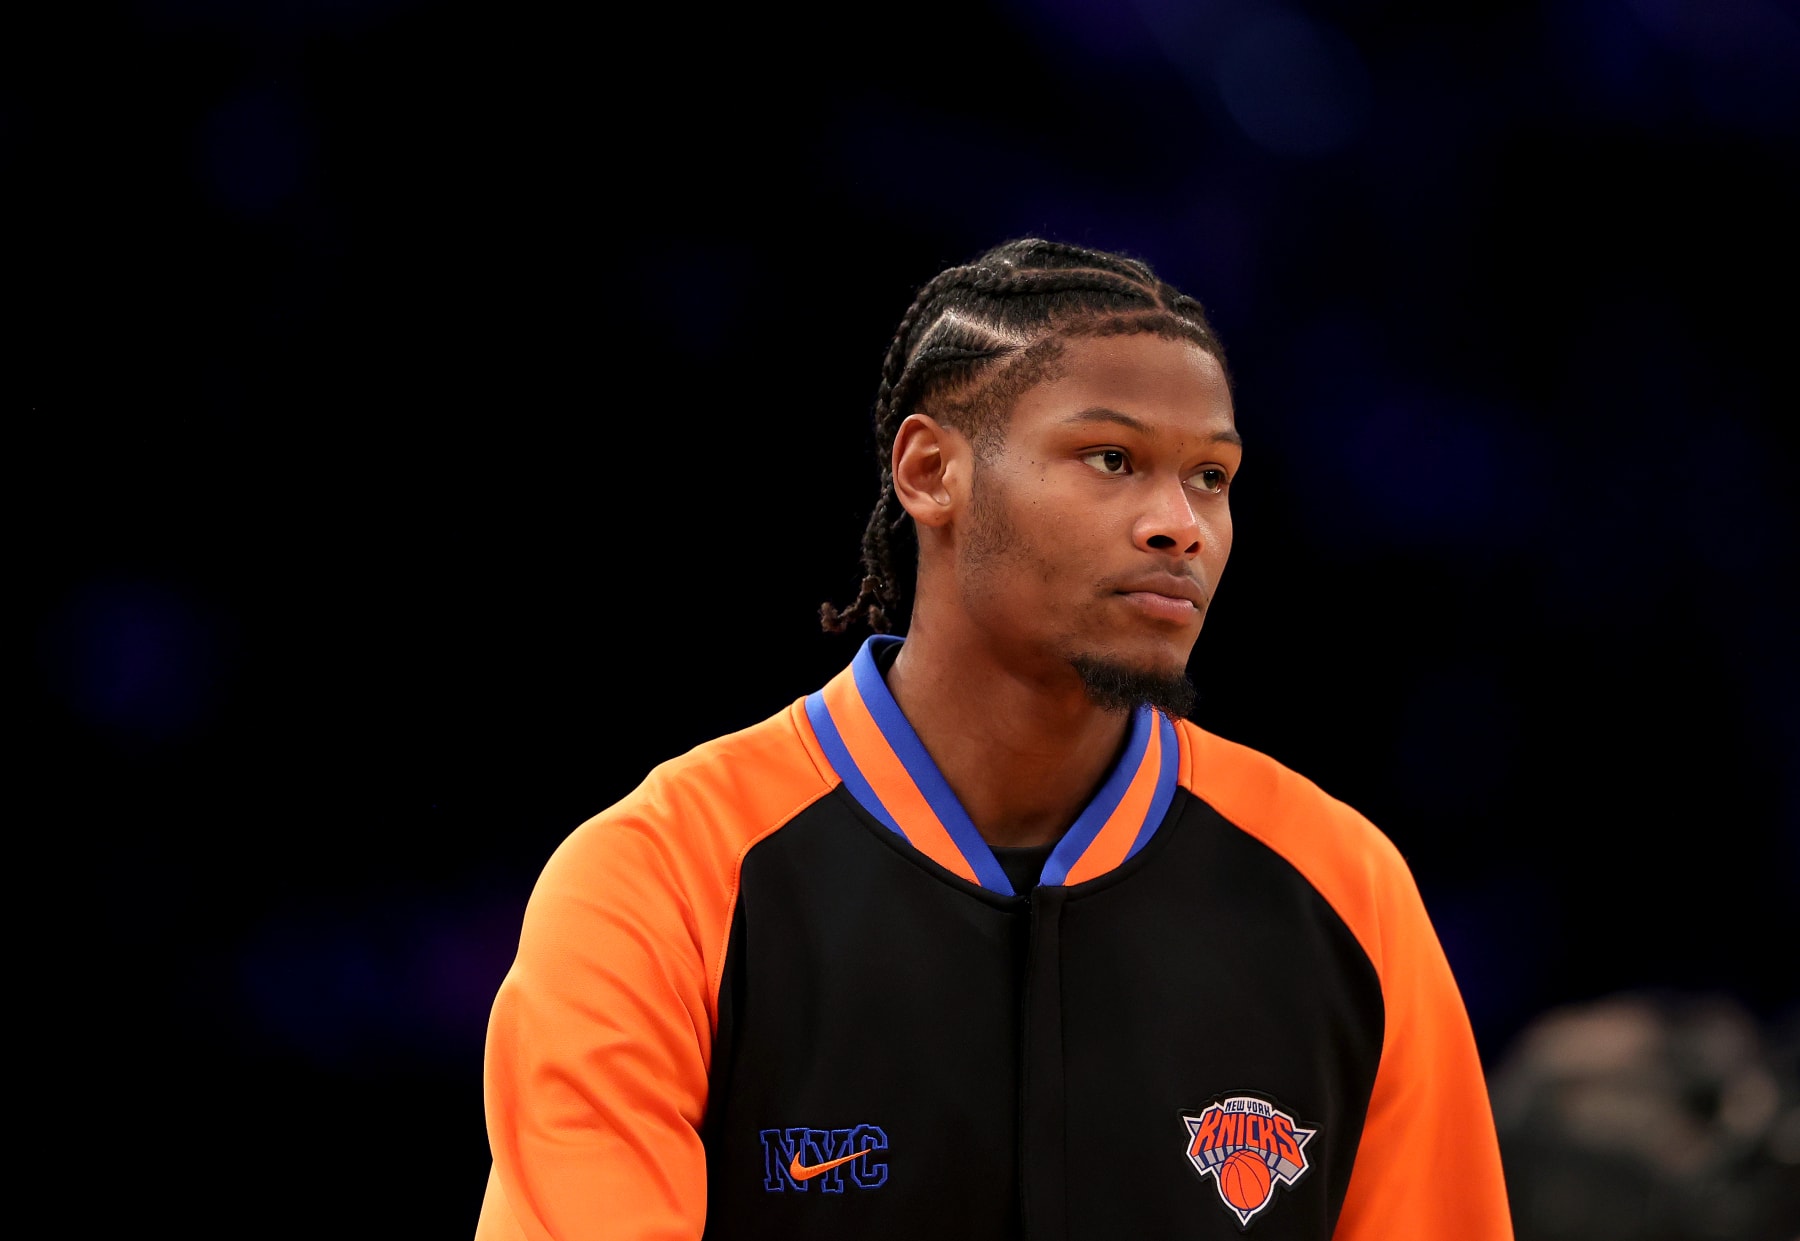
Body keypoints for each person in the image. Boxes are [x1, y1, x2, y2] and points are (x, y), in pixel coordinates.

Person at [474, 238, 1515, 1239]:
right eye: (1112, 458)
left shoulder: (1348, 887)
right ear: (931, 471)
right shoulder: (659, 880)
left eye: (1211, 476)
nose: (1180, 524)